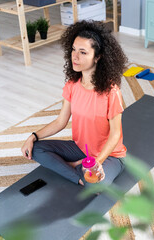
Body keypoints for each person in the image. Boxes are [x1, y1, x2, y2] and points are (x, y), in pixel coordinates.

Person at [21, 20, 128, 187]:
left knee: (97, 185)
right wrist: (33, 137)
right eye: (73, 50)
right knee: (36, 149)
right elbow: (60, 122)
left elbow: (115, 134)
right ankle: (77, 174)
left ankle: (77, 168)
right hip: (81, 148)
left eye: (83, 52)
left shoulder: (111, 91)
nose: (75, 57)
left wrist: (97, 162)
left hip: (109, 156)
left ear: (97, 57)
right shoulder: (72, 85)